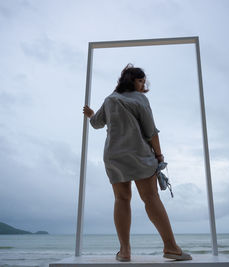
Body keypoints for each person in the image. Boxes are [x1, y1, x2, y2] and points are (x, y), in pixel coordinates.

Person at [83, 64, 192, 262]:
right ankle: (171, 247)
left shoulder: (109, 100)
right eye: (140, 80)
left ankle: (124, 252)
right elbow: (151, 132)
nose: (143, 84)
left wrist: (90, 114)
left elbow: (97, 123)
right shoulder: (141, 99)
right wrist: (159, 156)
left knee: (121, 199)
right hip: (139, 155)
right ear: (132, 81)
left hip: (114, 156)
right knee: (151, 198)